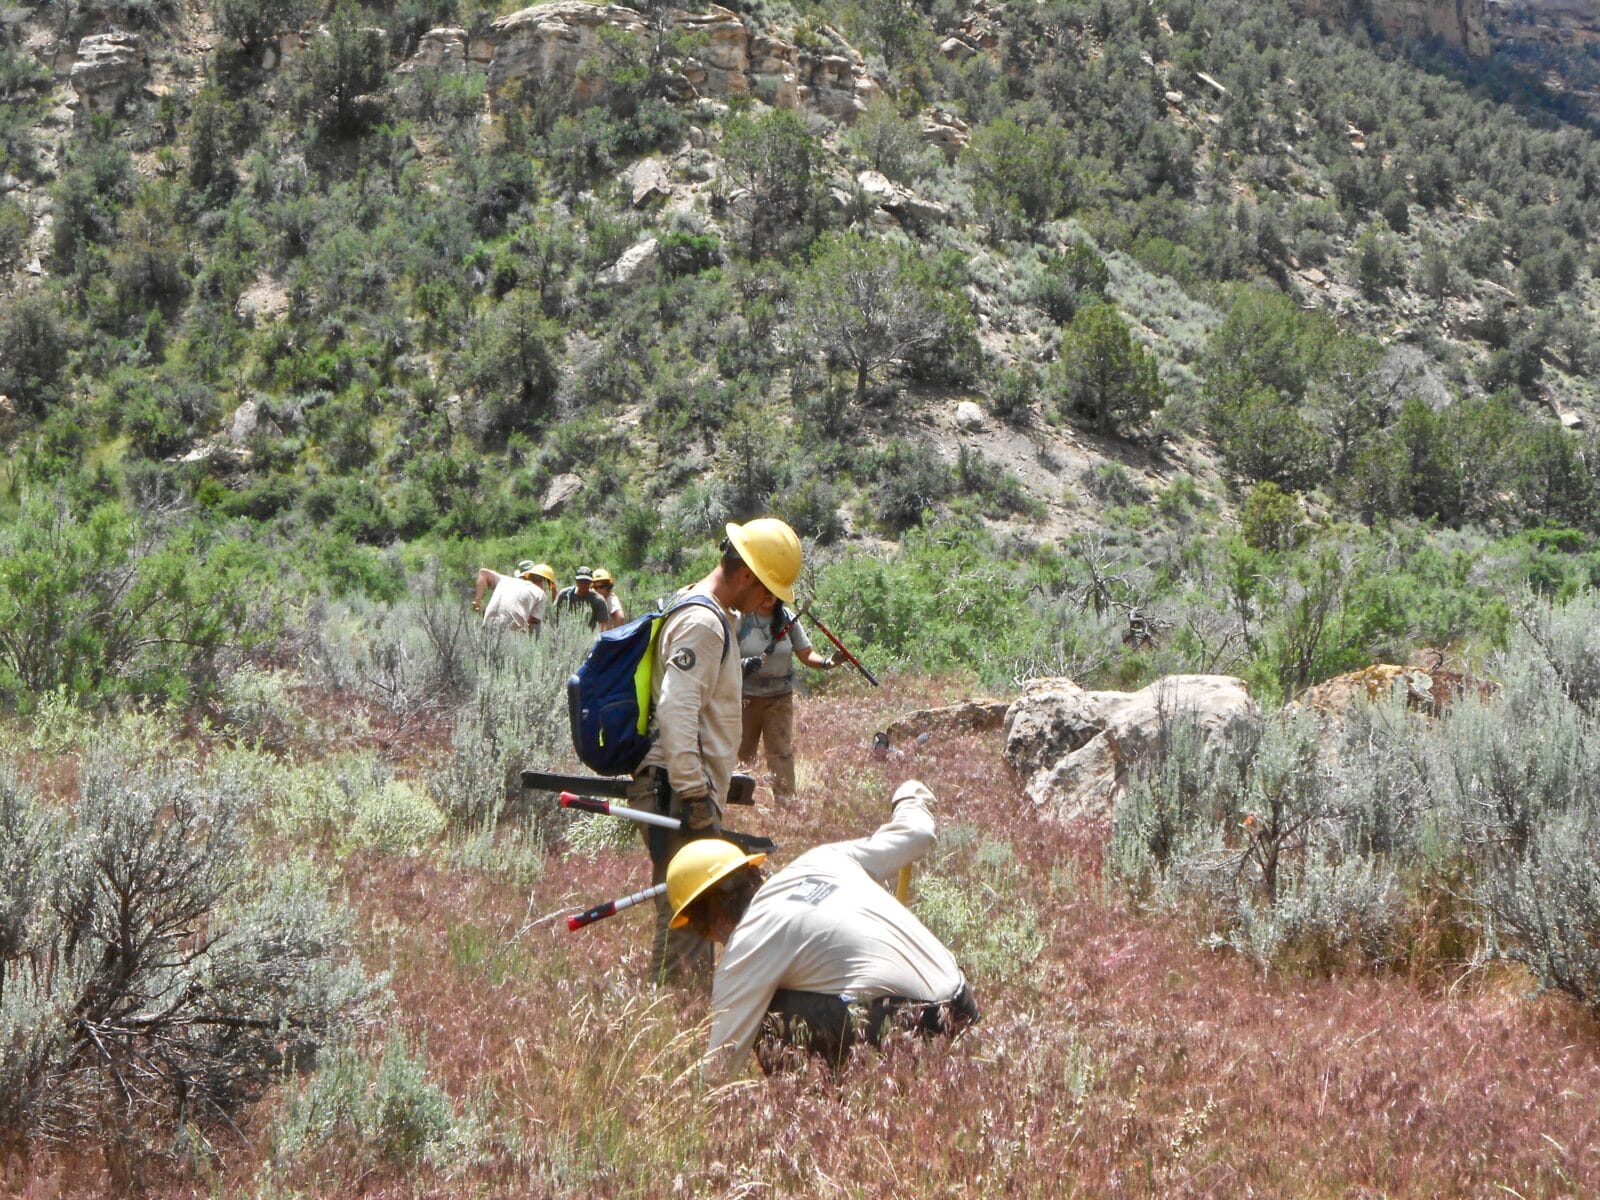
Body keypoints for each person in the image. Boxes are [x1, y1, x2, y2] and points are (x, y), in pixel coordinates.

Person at [666, 780, 978, 1080]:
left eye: (699, 928)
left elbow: (719, 1071)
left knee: (770, 1012)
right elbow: (917, 834)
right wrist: (911, 796)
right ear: (752, 872)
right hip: (963, 1003)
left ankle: (820, 1111)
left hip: (913, 1025)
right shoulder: (822, 859)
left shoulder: (746, 947)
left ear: (708, 919)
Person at [629, 518, 804, 986]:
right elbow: (676, 711)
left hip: (681, 788)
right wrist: (694, 793)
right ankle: (674, 1027)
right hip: (676, 793)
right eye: (768, 591)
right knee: (688, 918)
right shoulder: (704, 622)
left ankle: (682, 1017)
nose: (769, 604)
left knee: (695, 913)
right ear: (747, 574)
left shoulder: (706, 612)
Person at [737, 595, 837, 803]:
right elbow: (723, 654)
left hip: (779, 697)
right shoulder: (741, 618)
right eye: (764, 591)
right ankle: (737, 804)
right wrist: (743, 664)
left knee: (780, 754)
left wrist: (826, 663)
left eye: (773, 593)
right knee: (741, 754)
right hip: (744, 698)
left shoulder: (787, 619)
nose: (768, 598)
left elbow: (806, 654)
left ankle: (786, 806)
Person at [472, 560, 551, 633]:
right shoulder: (540, 594)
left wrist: (478, 601)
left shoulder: (504, 580)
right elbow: (534, 629)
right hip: (510, 636)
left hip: (487, 627)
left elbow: (483, 573)